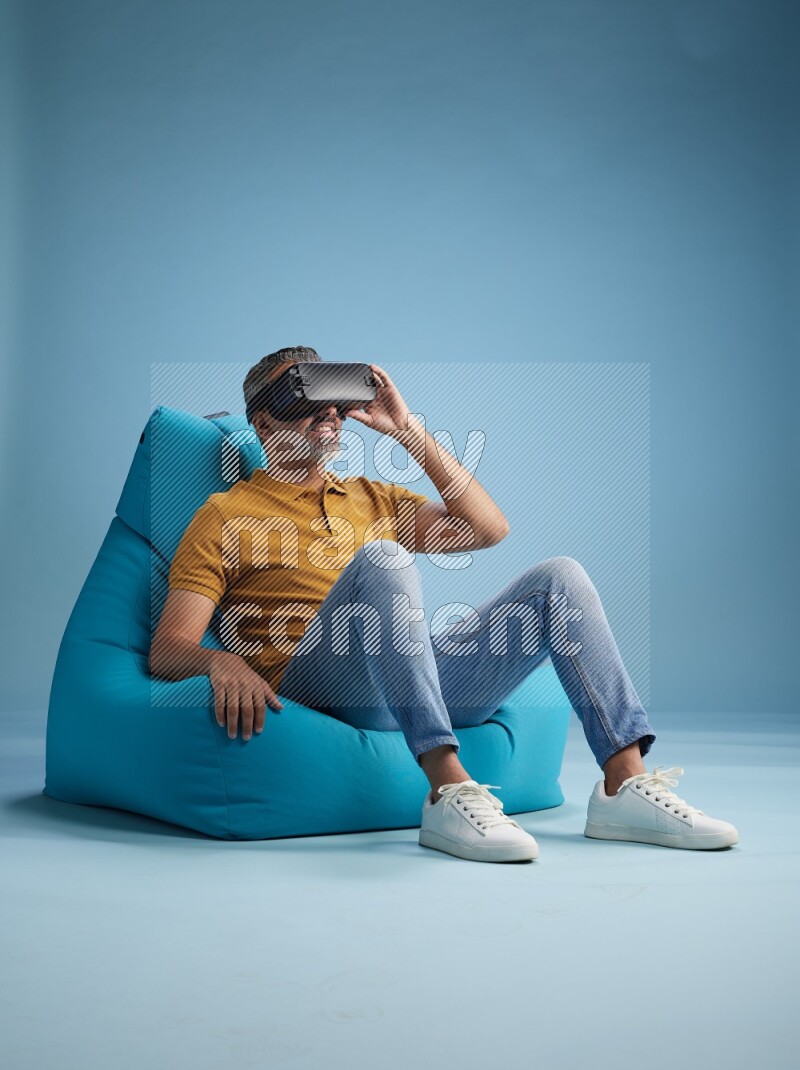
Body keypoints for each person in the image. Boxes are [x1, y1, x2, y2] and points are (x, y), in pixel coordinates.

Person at [149, 345, 739, 863]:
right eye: (304, 399)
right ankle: (447, 791)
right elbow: (169, 647)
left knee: (559, 578)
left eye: (332, 399)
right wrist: (220, 661)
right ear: (263, 421)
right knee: (386, 559)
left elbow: (487, 528)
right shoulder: (223, 514)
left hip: (412, 675)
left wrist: (406, 429)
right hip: (322, 684)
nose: (327, 413)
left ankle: (622, 787)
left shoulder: (369, 495)